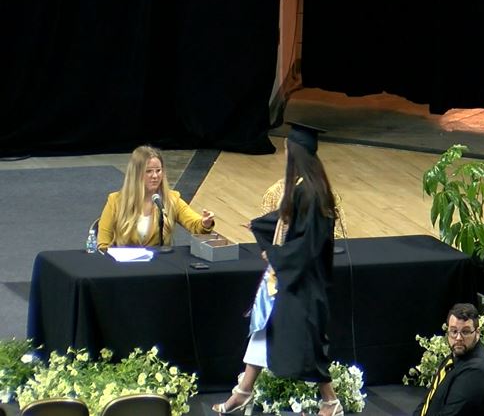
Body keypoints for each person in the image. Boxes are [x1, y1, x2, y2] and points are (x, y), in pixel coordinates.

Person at [212, 122, 343, 416]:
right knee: (263, 326)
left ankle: (331, 401)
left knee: (308, 341)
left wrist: (273, 253)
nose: (284, 155)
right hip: (291, 277)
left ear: (295, 153)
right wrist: (261, 227)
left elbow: (307, 244)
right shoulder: (305, 188)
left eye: (287, 150)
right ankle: (243, 392)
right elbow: (285, 221)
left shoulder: (311, 193)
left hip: (304, 282)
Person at [97, 145, 215, 251]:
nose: (155, 176)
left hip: (158, 266)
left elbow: (195, 225)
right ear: (136, 174)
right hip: (124, 268)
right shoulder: (116, 201)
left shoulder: (171, 199)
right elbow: (103, 245)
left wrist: (205, 223)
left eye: (158, 171)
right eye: (148, 171)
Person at [412, 303, 484, 416]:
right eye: (454, 331)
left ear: (477, 333)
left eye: (465, 332)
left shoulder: (477, 371)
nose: (458, 338)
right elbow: (427, 401)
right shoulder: (455, 356)